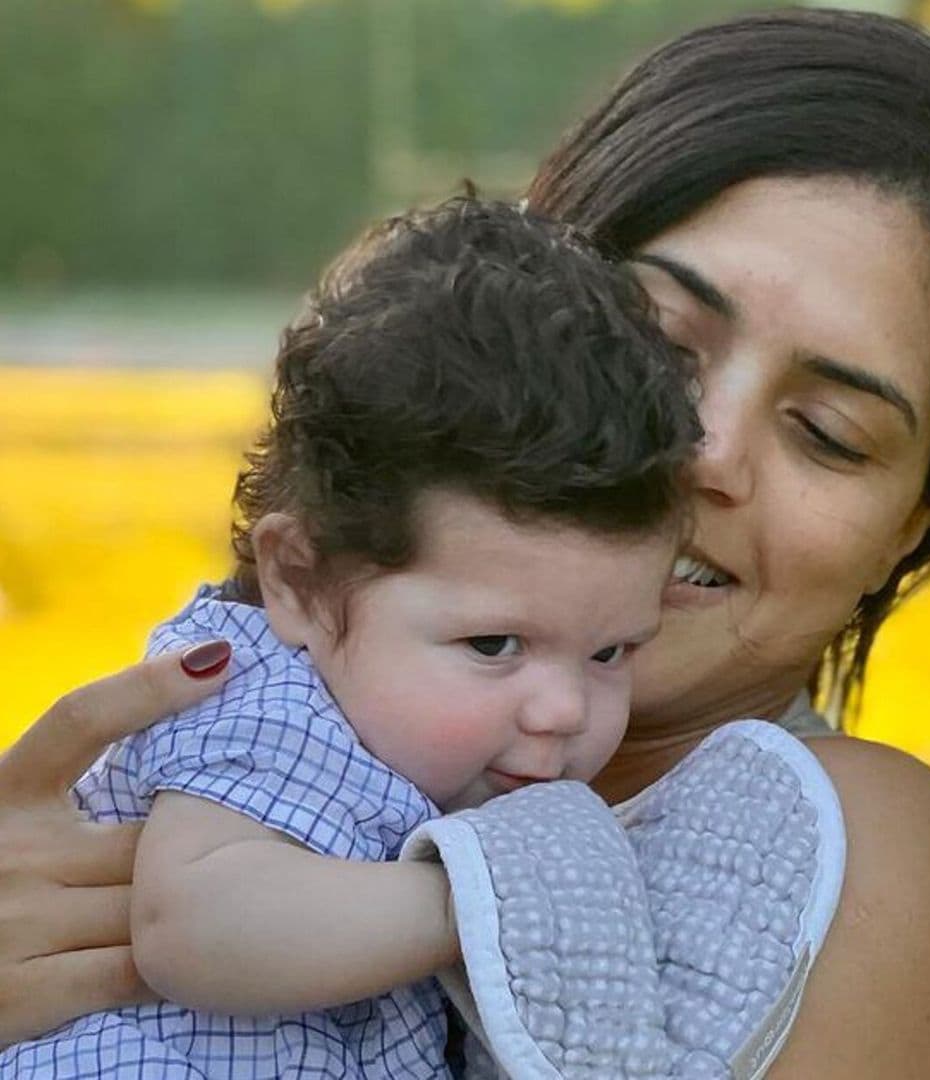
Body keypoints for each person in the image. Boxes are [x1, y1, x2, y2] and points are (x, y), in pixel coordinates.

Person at [0, 8, 930, 1077]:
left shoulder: (853, 859)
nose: (704, 452)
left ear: (922, 520)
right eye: (657, 340)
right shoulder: (276, 718)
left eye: (829, 435)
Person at [0, 198, 698, 1077]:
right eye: (493, 645)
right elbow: (194, 929)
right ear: (300, 578)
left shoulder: (399, 735)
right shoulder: (263, 703)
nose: (564, 711)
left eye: (610, 653)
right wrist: (487, 903)